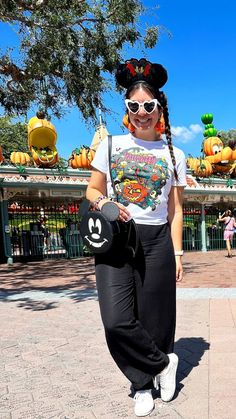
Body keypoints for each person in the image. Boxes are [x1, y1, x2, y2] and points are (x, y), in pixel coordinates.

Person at [86, 58, 187, 417]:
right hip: (117, 239)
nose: (141, 112)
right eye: (134, 106)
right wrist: (107, 202)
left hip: (158, 239)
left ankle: (142, 386)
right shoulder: (109, 145)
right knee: (116, 320)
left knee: (157, 318)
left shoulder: (175, 154)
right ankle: (162, 365)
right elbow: (91, 191)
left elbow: (175, 211)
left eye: (148, 106)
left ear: (160, 109)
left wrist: (177, 254)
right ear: (127, 109)